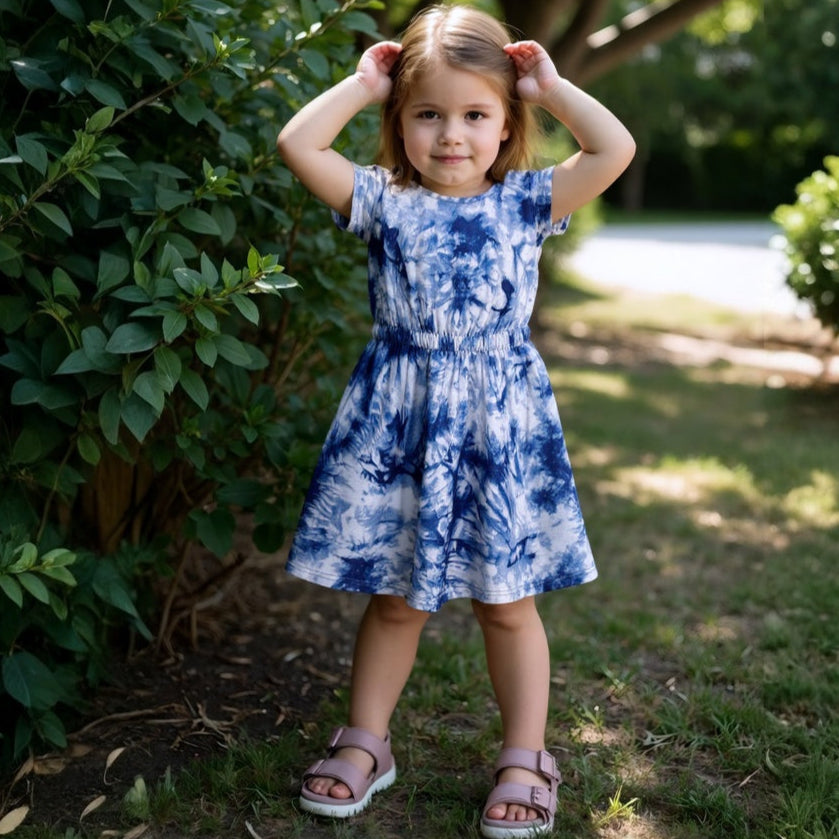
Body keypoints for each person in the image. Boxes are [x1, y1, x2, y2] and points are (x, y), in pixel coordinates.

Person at [276, 4, 634, 837]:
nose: (450, 135)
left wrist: (550, 87)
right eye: (427, 114)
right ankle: (366, 741)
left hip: (497, 425)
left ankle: (525, 756)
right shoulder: (381, 200)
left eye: (475, 115)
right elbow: (298, 144)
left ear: (507, 124)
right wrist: (362, 85)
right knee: (396, 597)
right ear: (398, 121)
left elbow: (612, 149)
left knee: (506, 601)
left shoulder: (528, 200)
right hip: (400, 424)